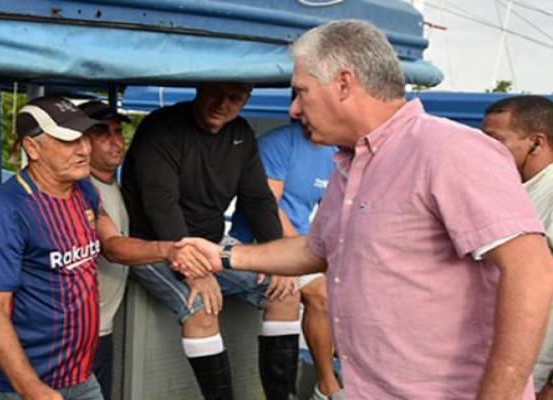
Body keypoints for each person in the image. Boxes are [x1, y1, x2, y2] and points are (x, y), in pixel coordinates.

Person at [180, 20, 553, 399]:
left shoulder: (449, 150)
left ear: (344, 83)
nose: (293, 110)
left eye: (301, 92)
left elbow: (532, 270)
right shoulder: (350, 164)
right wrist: (225, 255)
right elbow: (315, 250)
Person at [0, 96, 210, 400]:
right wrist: (29, 386)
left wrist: (169, 249)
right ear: (32, 148)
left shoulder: (84, 189)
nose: (83, 149)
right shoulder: (3, 211)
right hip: (20, 384)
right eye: (69, 141)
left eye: (83, 137)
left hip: (79, 376)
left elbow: (113, 245)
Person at [121, 82, 299, 400]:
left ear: (246, 100)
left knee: (285, 291)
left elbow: (259, 199)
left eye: (235, 98)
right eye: (216, 93)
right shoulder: (162, 128)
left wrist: (279, 258)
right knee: (202, 308)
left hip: (212, 241)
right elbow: (161, 204)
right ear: (200, 89)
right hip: (153, 244)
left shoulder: (240, 133)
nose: (223, 104)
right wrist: (195, 270)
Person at [229, 121, 341, 399]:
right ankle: (326, 386)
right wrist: (295, 254)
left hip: (301, 243)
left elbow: (326, 215)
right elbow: (268, 208)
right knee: (320, 293)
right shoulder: (276, 144)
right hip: (261, 240)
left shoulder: (333, 153)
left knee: (346, 289)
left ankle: (339, 377)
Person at [482, 95, 553, 399]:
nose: (483, 152)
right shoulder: (512, 190)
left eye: (495, 141)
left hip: (536, 369)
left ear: (536, 143)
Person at [78, 100, 131, 400]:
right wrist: (175, 251)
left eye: (118, 131)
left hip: (103, 327)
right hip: (81, 331)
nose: (115, 141)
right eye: (102, 133)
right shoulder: (81, 189)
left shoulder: (113, 186)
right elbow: (114, 248)